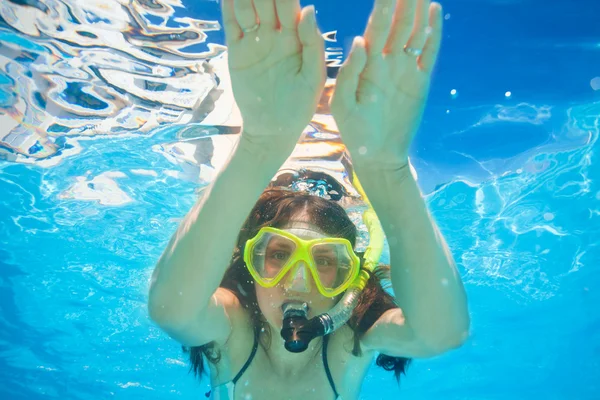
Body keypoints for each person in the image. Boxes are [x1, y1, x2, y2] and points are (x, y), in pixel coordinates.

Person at [148, 0, 470, 399]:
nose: (298, 283)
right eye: (279, 254)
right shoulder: (233, 324)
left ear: (349, 278)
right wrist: (259, 144)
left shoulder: (346, 335)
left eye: (324, 262)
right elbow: (174, 307)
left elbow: (440, 333)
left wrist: (388, 170)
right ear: (250, 263)